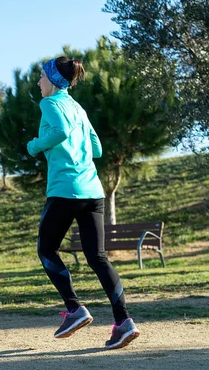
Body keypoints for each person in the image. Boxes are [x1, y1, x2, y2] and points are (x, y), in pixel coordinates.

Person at [27, 57, 139, 350]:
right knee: (97, 257)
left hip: (65, 190)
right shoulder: (78, 107)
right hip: (93, 190)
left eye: (41, 77)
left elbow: (60, 132)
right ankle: (124, 322)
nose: (39, 82)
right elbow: (98, 148)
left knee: (46, 249)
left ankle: (75, 309)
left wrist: (36, 144)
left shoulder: (50, 105)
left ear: (52, 80)